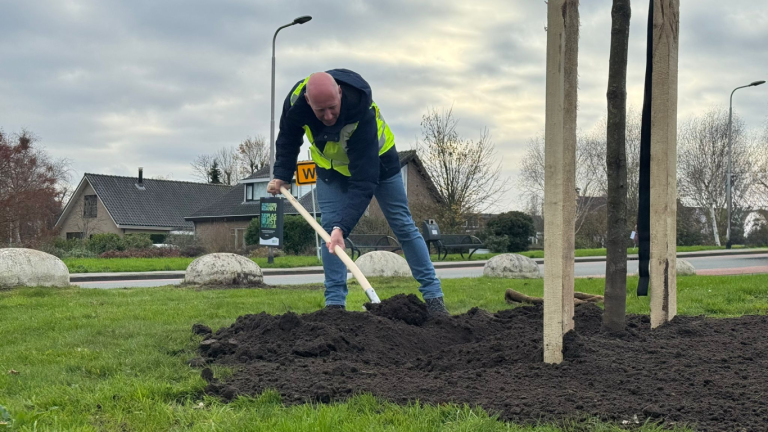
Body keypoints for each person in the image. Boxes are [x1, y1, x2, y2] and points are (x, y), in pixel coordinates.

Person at [267, 69, 448, 316]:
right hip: (331, 170)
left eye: (333, 107)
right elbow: (288, 138)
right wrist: (282, 174)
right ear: (309, 102)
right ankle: (334, 306)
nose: (328, 116)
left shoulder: (361, 109)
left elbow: (364, 181)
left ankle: (434, 299)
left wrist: (343, 227)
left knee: (403, 226)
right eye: (321, 111)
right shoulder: (295, 104)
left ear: (340, 93)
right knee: (329, 233)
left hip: (378, 165)